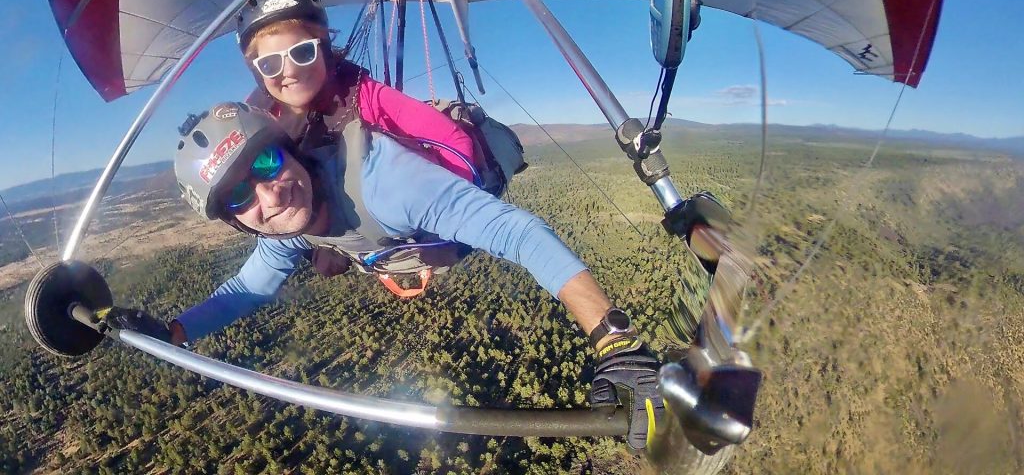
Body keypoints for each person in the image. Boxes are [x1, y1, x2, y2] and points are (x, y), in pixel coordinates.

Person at [106, 102, 665, 450]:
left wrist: (616, 342)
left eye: (268, 164)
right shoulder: (286, 230)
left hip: (439, 221)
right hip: (396, 248)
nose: (269, 194)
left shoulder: (384, 183)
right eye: (238, 197)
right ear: (234, 222)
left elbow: (518, 234)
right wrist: (172, 333)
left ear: (289, 153)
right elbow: (244, 290)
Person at [236, 0, 478, 182]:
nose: (290, 70)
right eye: (270, 64)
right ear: (257, 72)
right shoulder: (254, 119)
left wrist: (444, 216)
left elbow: (452, 140)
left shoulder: (366, 96)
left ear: (323, 49)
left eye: (302, 52)